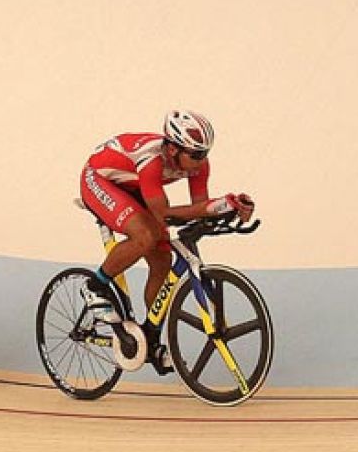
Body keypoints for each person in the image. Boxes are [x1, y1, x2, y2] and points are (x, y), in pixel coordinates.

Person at [79, 110, 255, 372]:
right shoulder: (151, 161)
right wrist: (215, 206)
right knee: (146, 236)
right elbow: (165, 214)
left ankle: (150, 338)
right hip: (99, 180)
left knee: (163, 260)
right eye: (195, 155)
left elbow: (199, 209)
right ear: (173, 150)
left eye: (205, 153)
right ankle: (95, 285)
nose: (201, 161)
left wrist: (228, 209)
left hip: (132, 187)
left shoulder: (199, 165)